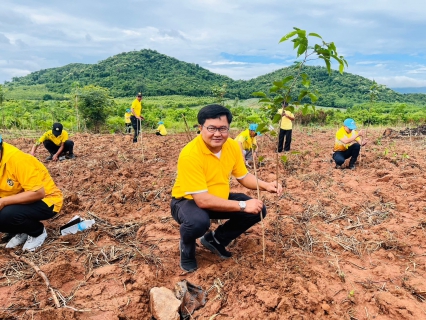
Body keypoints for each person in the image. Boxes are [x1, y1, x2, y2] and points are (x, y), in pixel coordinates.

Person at [170, 104, 282, 272]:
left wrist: (266, 185)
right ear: (200, 128)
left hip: (217, 198)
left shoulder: (232, 146)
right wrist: (243, 205)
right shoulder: (190, 154)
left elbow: (243, 176)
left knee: (258, 209)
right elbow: (202, 200)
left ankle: (216, 240)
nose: (217, 134)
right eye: (211, 128)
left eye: (223, 129)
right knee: (197, 222)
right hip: (187, 201)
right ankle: (187, 248)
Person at [0, 136, 63, 251]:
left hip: (46, 200)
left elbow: (38, 193)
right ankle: (22, 230)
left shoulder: (17, 159)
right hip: (19, 197)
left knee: (4, 216)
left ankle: (37, 232)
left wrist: (3, 201)